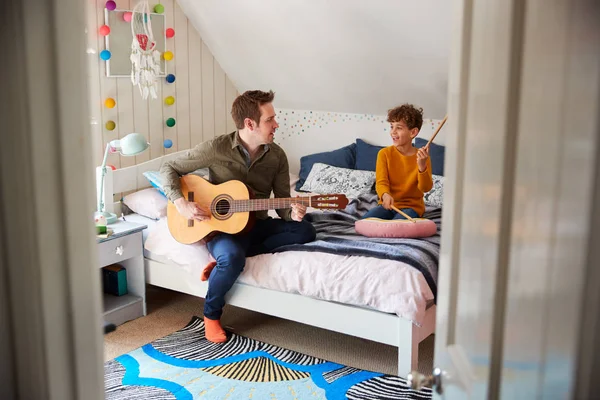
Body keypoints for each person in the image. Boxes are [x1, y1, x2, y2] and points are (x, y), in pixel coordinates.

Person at [160, 90, 316, 343]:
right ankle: (211, 316)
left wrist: (295, 212)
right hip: (218, 227)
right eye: (270, 119)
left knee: (306, 231)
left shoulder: (277, 156)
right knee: (232, 258)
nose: (276, 124)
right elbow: (169, 168)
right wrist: (180, 203)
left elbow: (283, 203)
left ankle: (225, 260)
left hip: (257, 224)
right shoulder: (216, 148)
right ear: (249, 124)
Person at [362, 104, 433, 220]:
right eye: (391, 127)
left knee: (397, 226)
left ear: (413, 132)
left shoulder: (423, 157)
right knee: (365, 222)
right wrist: (385, 195)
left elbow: (425, 188)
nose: (393, 132)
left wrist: (421, 166)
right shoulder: (384, 154)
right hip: (388, 205)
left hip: (412, 207)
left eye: (399, 128)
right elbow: (381, 182)